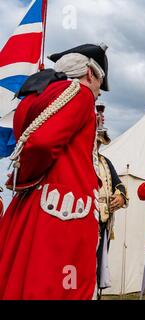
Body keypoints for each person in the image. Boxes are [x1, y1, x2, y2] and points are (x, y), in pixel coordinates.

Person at [0, 43, 109, 299]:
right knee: (57, 285)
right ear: (90, 74)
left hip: (33, 201)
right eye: (99, 85)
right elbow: (40, 144)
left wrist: (26, 180)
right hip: (65, 205)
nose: (98, 93)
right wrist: (28, 176)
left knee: (23, 276)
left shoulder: (35, 97)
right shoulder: (78, 93)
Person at [95, 104, 128, 298]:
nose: (98, 144)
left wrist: (120, 196)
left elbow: (120, 185)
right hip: (83, 220)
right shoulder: (79, 158)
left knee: (99, 265)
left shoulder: (105, 162)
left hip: (103, 222)